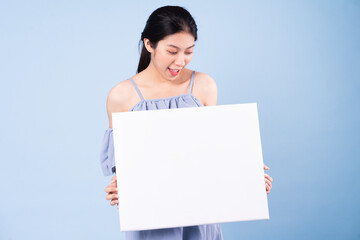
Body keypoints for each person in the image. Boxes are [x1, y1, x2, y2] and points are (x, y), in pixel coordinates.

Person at [100, 5, 273, 240]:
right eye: (172, 51)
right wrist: (120, 188)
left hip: (201, 217)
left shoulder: (204, 85)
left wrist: (246, 175)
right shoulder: (121, 96)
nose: (180, 61)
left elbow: (212, 154)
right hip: (151, 218)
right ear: (149, 44)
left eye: (189, 51)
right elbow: (124, 169)